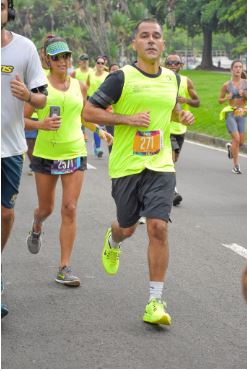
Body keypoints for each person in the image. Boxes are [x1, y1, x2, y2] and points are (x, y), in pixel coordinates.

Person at [83, 18, 194, 325]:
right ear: (135, 44)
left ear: (163, 43)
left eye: (156, 36)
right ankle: (113, 239)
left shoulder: (172, 79)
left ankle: (154, 302)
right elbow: (88, 111)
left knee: (158, 227)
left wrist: (181, 113)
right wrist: (126, 119)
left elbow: (171, 109)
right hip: (126, 166)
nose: (150, 40)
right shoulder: (121, 78)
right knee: (127, 227)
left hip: (160, 164)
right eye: (144, 36)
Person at [24, 36, 112, 287]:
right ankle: (37, 225)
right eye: (57, 57)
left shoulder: (79, 85)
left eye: (66, 56)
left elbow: (84, 115)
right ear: (48, 60)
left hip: (74, 151)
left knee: (70, 208)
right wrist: (41, 124)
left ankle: (64, 267)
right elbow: (21, 119)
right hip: (46, 154)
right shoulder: (39, 87)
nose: (63, 61)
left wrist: (98, 130)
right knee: (46, 209)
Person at [1, 0, 47, 318]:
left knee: (5, 215)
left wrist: (28, 96)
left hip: (10, 149)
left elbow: (42, 98)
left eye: (1, 5)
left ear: (9, 12)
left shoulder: (25, 48)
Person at [165, 54, 200, 206]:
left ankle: (167, 187)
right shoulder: (162, 80)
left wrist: (186, 101)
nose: (173, 65)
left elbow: (197, 102)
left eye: (176, 63)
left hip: (181, 127)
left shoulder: (186, 81)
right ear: (165, 65)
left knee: (174, 160)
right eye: (170, 63)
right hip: (166, 126)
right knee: (170, 159)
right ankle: (172, 191)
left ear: (181, 65)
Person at [219, 60, 247, 174]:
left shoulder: (246, 83)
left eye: (240, 67)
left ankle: (231, 148)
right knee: (236, 138)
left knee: (241, 142)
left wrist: (244, 94)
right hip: (231, 113)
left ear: (242, 69)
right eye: (236, 67)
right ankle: (236, 166)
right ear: (232, 69)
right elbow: (219, 100)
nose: (238, 69)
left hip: (242, 113)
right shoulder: (226, 85)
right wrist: (227, 98)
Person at [87, 56, 109, 158]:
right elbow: (86, 86)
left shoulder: (107, 75)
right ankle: (98, 147)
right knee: (96, 125)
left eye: (102, 63)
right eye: (98, 63)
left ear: (104, 65)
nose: (100, 65)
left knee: (102, 126)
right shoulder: (90, 74)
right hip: (91, 102)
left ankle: (97, 144)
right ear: (96, 63)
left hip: (103, 103)